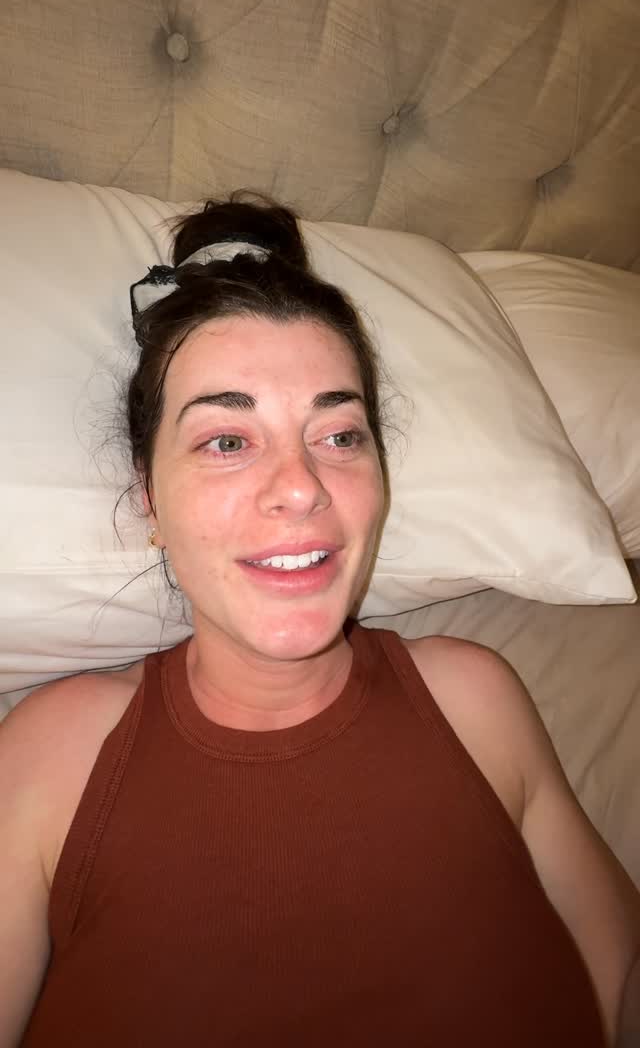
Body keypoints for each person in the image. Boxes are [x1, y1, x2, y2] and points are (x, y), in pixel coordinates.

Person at [1, 195, 638, 1048]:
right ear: (149, 498)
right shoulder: (56, 753)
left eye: (339, 435)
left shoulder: (474, 696)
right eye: (228, 441)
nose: (301, 487)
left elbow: (618, 976)